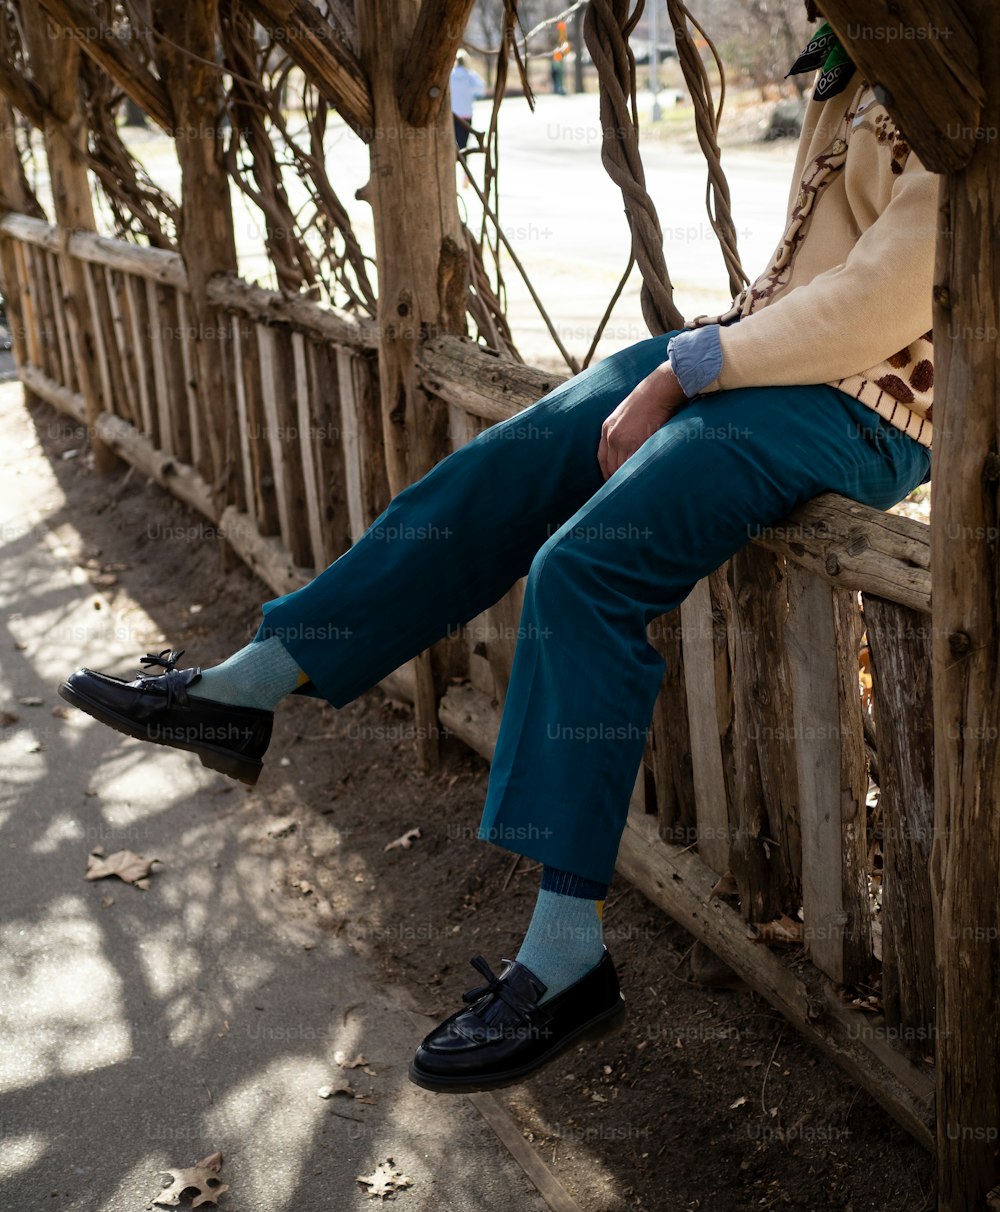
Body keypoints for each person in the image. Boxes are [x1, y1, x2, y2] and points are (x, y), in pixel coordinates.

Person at [60, 22, 935, 1096]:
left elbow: (890, 296)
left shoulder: (951, 57)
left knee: (586, 566)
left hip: (868, 406)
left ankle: (566, 956)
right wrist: (702, 358)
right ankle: (252, 683)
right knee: (503, 468)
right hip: (771, 357)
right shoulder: (855, 49)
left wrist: (688, 371)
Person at [449, 48, 485, 153]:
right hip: (466, 114)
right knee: (464, 143)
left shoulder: (450, 75)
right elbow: (480, 89)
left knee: (453, 142)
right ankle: (464, 160)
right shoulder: (470, 75)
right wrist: (471, 94)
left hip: (453, 114)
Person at [550, 21, 570, 95]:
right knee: (558, 74)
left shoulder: (561, 35)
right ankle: (558, 88)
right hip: (558, 59)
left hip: (558, 59)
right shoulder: (560, 35)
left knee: (558, 74)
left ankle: (558, 88)